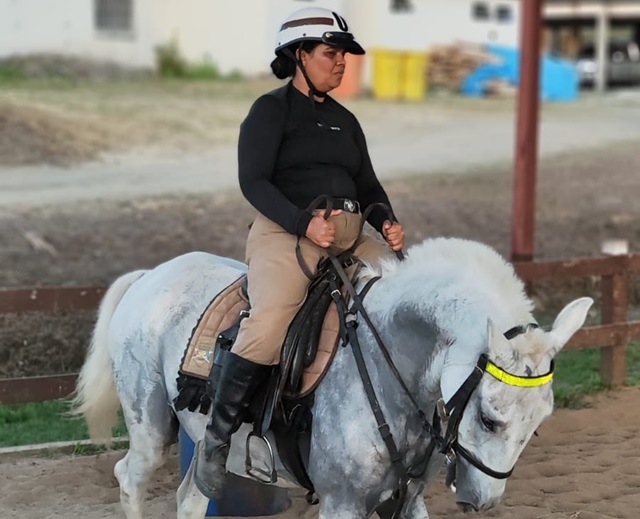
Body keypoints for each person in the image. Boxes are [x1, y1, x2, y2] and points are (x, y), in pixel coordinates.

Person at [194, 6, 405, 500]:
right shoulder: (269, 111)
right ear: (298, 55)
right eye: (331, 53)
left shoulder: (345, 120)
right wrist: (303, 223)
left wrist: (387, 221)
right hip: (286, 232)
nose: (341, 63)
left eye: (344, 55)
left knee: (404, 296)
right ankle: (217, 441)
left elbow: (368, 183)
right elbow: (254, 181)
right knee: (269, 323)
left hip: (352, 236)